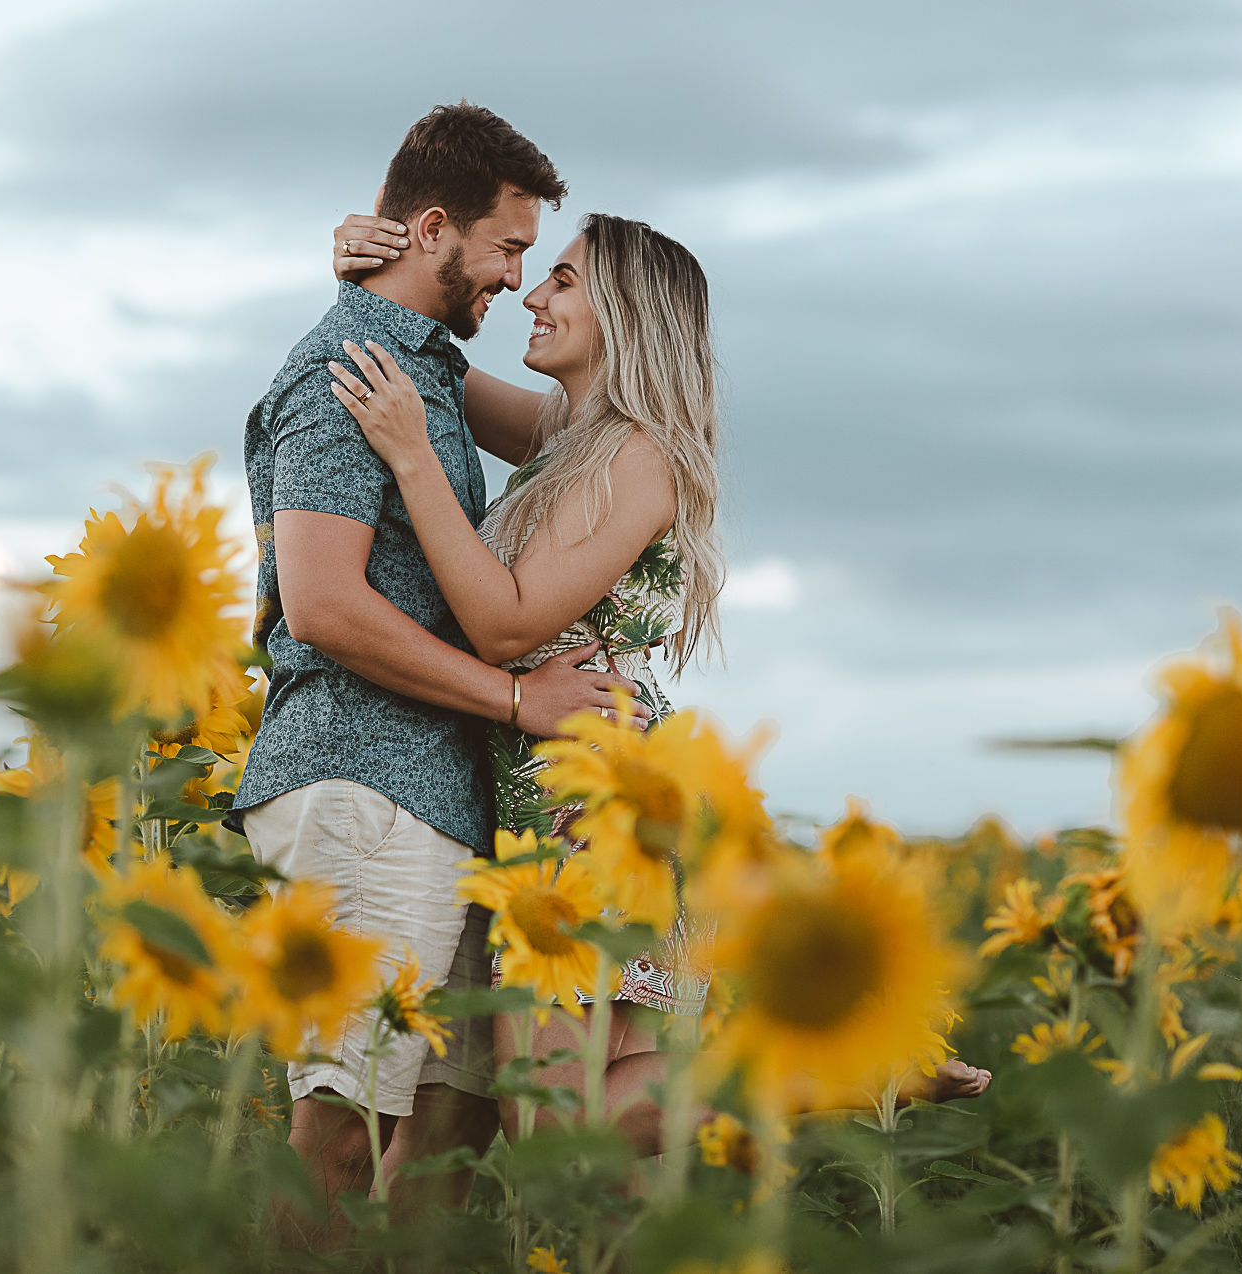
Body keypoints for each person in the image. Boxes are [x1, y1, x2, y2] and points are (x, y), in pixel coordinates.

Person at [327, 206, 993, 1160]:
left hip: (597, 807)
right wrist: (371, 273)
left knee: (553, 1125)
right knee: (588, 1157)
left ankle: (840, 1064)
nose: (533, 295)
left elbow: (506, 622)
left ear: (628, 315)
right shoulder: (569, 435)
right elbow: (427, 364)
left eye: (564, 281)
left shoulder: (640, 457)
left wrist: (412, 458)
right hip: (548, 792)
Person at [227, 103, 653, 1247]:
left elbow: (581, 431)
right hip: (362, 779)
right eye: (510, 249)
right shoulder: (346, 374)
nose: (517, 279)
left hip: (444, 798)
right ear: (432, 231)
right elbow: (324, 605)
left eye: (539, 261)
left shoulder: (423, 370)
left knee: (451, 1134)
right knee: (339, 1127)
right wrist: (517, 699)